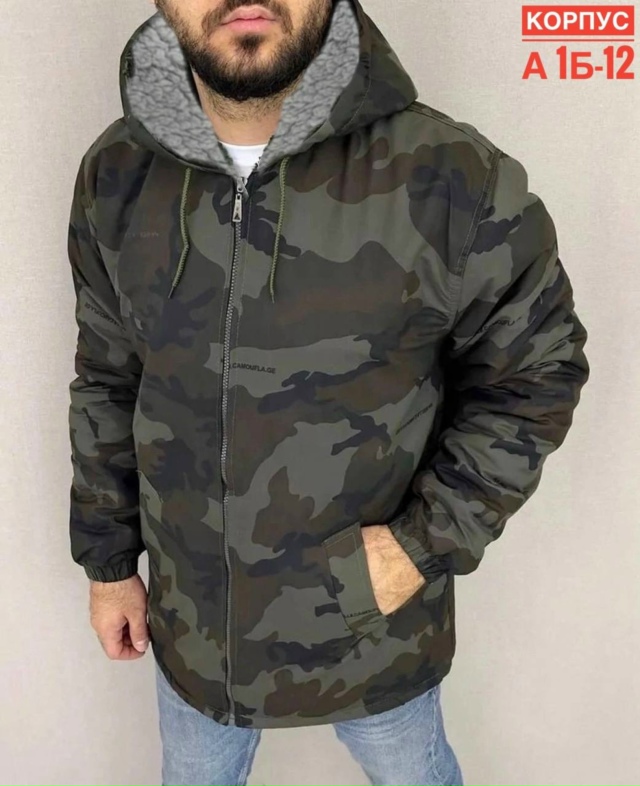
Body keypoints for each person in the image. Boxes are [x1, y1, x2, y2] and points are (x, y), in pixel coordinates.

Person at [65, 0, 590, 783]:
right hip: (194, 629)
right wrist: (109, 565)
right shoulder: (116, 175)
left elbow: (535, 374)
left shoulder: (450, 177)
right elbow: (109, 378)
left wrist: (420, 546)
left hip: (369, 631)